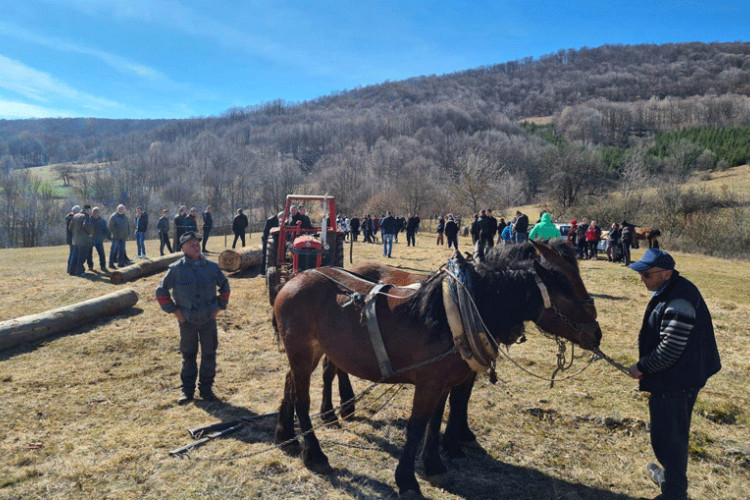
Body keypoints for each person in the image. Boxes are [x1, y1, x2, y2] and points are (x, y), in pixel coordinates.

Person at [627, 249, 721, 500]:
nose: (641, 279)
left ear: (666, 273)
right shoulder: (670, 290)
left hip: (678, 381)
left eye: (646, 274)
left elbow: (670, 350)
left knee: (670, 440)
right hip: (675, 378)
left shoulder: (679, 301)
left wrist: (642, 367)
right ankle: (671, 477)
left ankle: (674, 492)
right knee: (667, 436)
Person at [156, 231, 231, 405]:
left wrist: (219, 307)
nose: (196, 246)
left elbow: (225, 288)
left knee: (209, 355)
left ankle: (206, 390)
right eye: (191, 245)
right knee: (188, 355)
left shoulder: (212, 267)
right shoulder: (175, 269)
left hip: (208, 321)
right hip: (187, 322)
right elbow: (161, 292)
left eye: (197, 243)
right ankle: (187, 391)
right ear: (183, 248)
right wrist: (175, 311)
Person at [70, 205, 94, 277]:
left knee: (75, 256)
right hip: (84, 240)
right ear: (87, 210)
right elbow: (87, 226)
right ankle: (80, 271)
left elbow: (70, 227)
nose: (91, 212)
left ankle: (72, 270)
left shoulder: (75, 216)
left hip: (75, 240)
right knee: (82, 257)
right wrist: (91, 233)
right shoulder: (86, 217)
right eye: (90, 210)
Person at [87, 207, 109, 272]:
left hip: (99, 240)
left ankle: (103, 266)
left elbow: (106, 231)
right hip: (90, 240)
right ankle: (90, 266)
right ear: (92, 212)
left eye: (97, 211)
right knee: (89, 254)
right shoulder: (88, 220)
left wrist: (103, 237)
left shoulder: (102, 221)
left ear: (99, 213)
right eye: (94, 211)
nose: (95, 213)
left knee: (102, 254)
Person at [261, 211, 282, 276]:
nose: (282, 219)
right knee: (265, 255)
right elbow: (266, 231)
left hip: (276, 239)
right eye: (281, 218)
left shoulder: (282, 220)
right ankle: (263, 272)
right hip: (267, 238)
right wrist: (266, 240)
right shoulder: (270, 220)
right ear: (278, 216)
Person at [66, 205, 81, 274]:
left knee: (72, 253)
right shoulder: (72, 218)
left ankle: (69, 269)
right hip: (72, 238)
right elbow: (72, 229)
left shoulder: (69, 217)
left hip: (70, 238)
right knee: (73, 254)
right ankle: (71, 269)